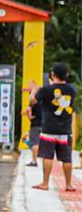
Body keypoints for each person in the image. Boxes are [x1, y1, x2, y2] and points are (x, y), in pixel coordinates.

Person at [32, 63, 76, 192]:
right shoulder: (71, 90)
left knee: (48, 156)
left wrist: (35, 89)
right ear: (66, 75)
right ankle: (68, 184)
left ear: (52, 74)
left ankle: (45, 183)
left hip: (49, 129)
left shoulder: (46, 89)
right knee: (67, 158)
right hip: (65, 130)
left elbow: (32, 101)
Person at [24, 81, 42, 168]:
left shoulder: (34, 100)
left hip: (35, 124)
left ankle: (34, 161)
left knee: (34, 143)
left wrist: (29, 117)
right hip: (44, 124)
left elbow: (27, 110)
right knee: (40, 143)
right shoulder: (43, 99)